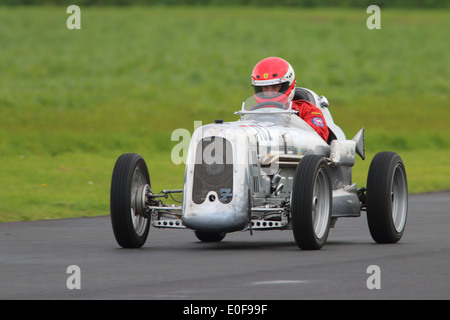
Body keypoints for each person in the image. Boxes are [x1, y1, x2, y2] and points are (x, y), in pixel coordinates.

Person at [251, 57, 329, 141]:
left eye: (275, 87)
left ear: (289, 85)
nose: (269, 93)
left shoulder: (306, 110)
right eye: (265, 87)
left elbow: (317, 138)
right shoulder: (253, 112)